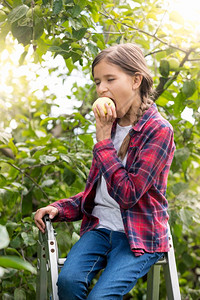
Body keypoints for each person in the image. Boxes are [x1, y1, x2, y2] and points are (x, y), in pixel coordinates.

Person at [34, 43, 175, 300]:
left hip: (139, 236)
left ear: (135, 80)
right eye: (97, 81)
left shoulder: (158, 130)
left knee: (101, 297)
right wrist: (61, 208)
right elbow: (101, 192)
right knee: (67, 282)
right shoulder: (109, 126)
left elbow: (127, 194)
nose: (101, 89)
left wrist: (102, 141)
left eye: (110, 79)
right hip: (100, 229)